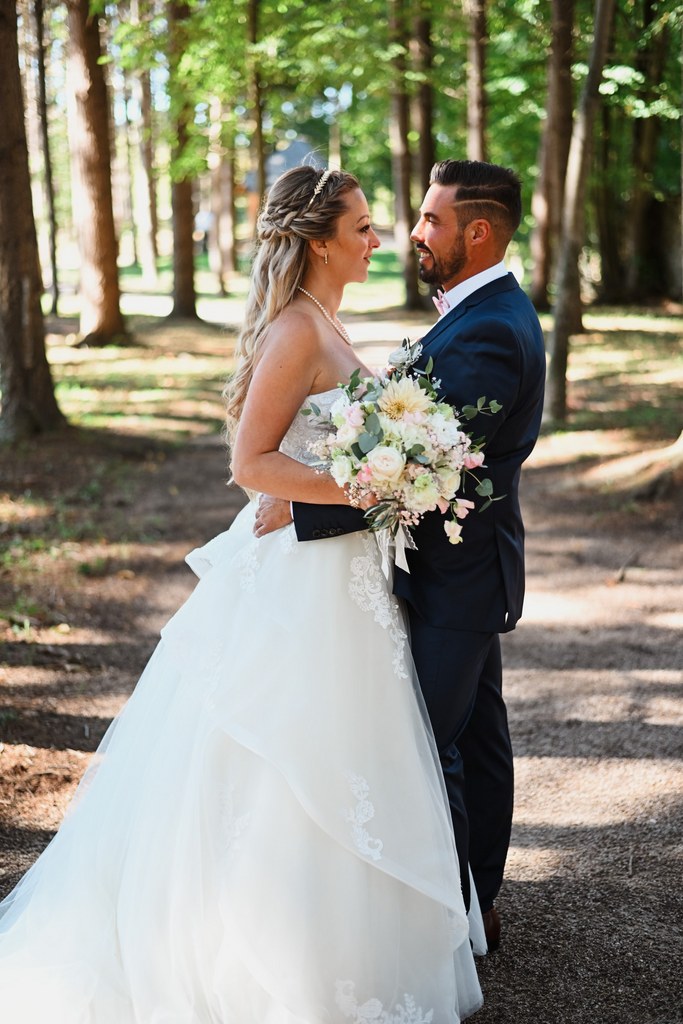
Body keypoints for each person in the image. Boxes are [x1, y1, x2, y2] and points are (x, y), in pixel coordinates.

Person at [0, 166, 484, 1023]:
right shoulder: (297, 330)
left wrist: (390, 476)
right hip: (296, 584)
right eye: (364, 226)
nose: (379, 239)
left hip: (343, 581)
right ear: (320, 239)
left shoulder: (325, 321)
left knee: (344, 756)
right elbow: (251, 465)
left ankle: (339, 947)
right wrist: (380, 486)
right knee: (281, 760)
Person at [257, 159, 546, 953]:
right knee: (474, 740)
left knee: (426, 748)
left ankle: (444, 916)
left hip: (458, 575)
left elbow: (425, 464)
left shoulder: (491, 325)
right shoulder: (471, 312)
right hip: (449, 573)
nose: (412, 235)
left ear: (477, 232)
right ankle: (471, 902)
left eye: (431, 221)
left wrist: (301, 504)